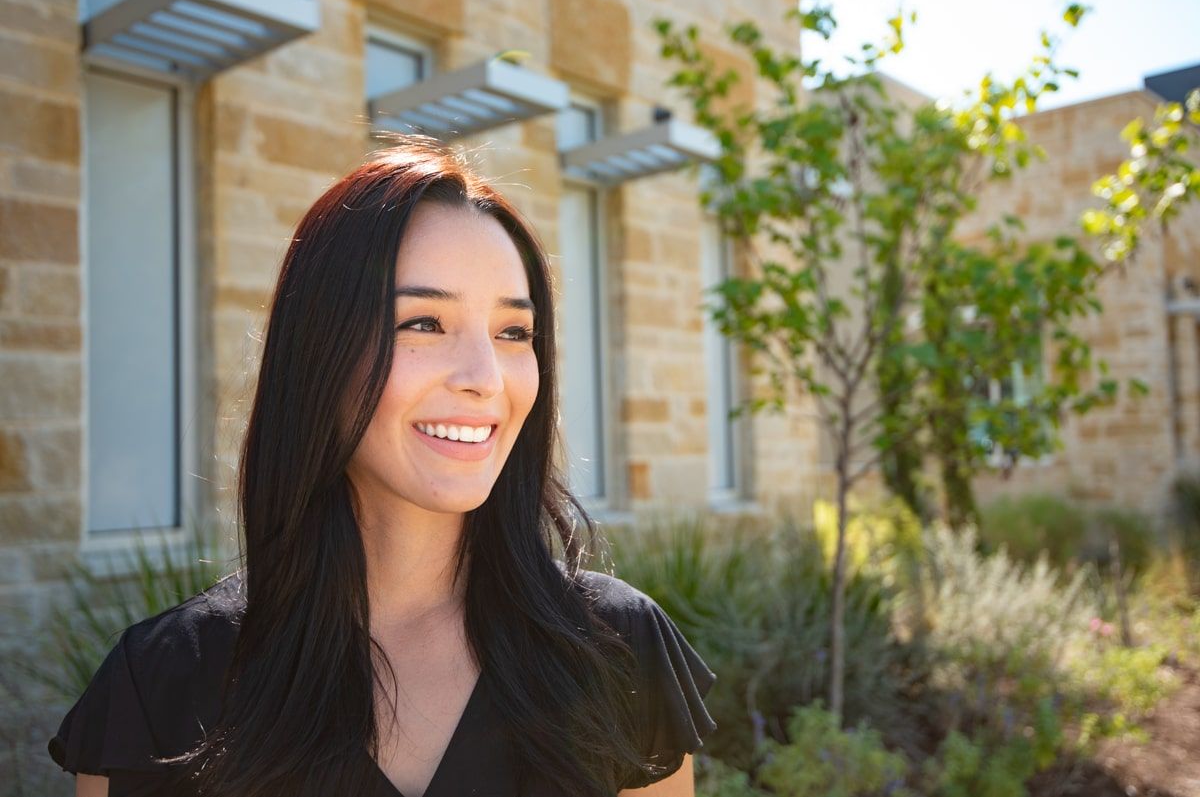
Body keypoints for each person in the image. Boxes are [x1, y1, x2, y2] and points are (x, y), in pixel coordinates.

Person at [48, 137, 717, 797]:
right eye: (424, 323)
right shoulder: (163, 684)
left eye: (514, 332)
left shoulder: (617, 650)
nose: (486, 378)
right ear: (322, 352)